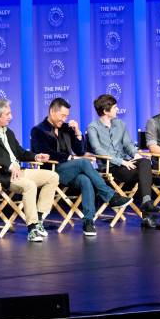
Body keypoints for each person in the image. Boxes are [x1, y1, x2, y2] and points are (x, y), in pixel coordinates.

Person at [30, 98, 132, 237]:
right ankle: (110, 196)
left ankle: (88, 222)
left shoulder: (65, 128)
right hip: (51, 171)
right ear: (52, 112)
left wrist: (77, 132)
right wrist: (71, 158)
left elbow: (80, 151)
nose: (64, 119)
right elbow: (46, 153)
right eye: (62, 116)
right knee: (84, 163)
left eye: (66, 116)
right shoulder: (38, 130)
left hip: (69, 170)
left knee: (85, 180)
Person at [0, 99, 60, 243]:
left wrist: (36, 156)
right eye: (7, 114)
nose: (11, 117)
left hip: (19, 171)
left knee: (52, 176)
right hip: (1, 175)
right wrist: (9, 165)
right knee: (29, 186)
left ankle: (38, 219)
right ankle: (32, 228)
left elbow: (19, 153)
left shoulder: (9, 132)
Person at [87, 94, 160, 230]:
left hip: (126, 164)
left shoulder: (120, 124)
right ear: (105, 111)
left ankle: (146, 202)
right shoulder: (93, 127)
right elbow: (98, 150)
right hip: (110, 167)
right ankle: (147, 215)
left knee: (144, 163)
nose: (117, 109)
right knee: (144, 174)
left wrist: (136, 155)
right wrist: (120, 161)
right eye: (115, 107)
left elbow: (127, 145)